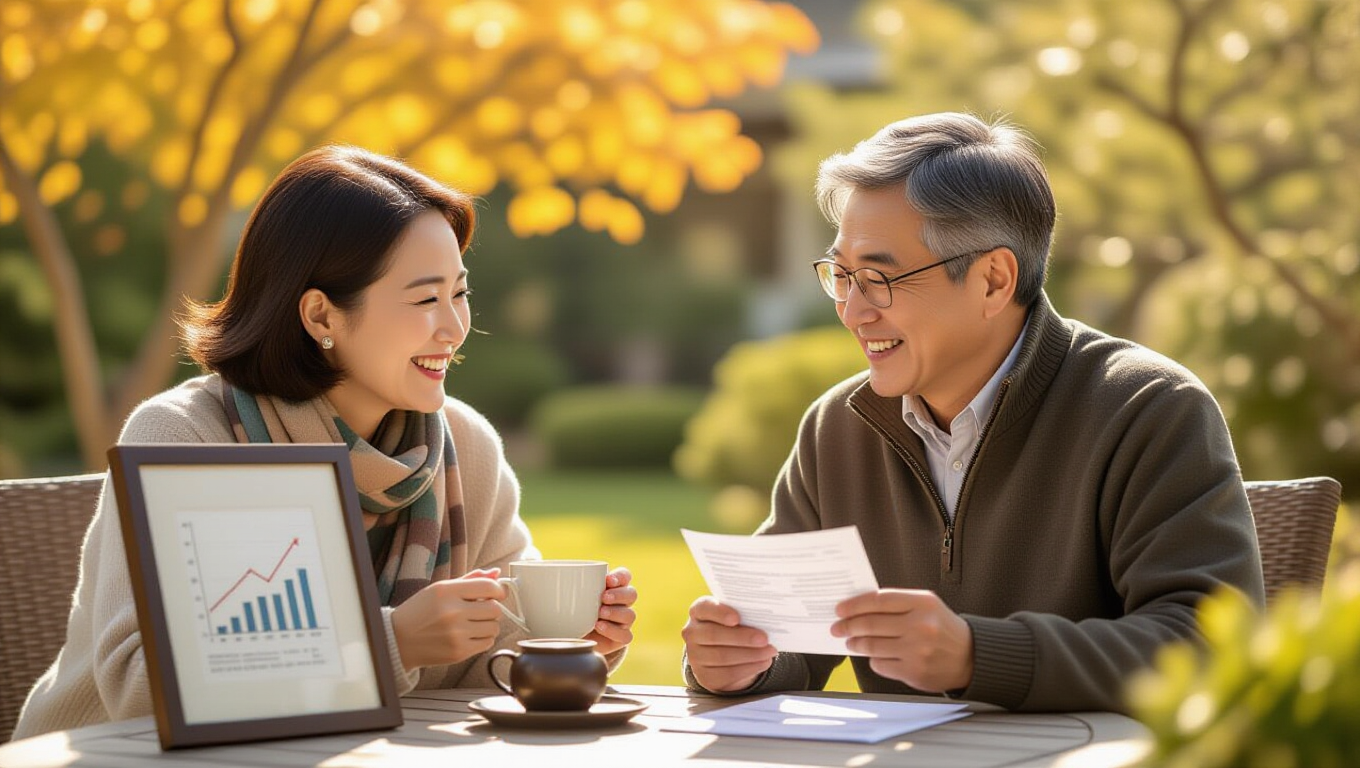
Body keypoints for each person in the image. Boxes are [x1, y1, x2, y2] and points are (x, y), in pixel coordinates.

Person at [15, 146, 638, 738]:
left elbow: (480, 669)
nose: (454, 327)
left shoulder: (465, 448)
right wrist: (394, 643)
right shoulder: (186, 437)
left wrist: (570, 644)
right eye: (426, 298)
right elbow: (137, 688)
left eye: (460, 293)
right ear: (320, 316)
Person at [680, 112, 1264, 713]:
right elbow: (790, 639)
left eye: (878, 277)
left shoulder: (1149, 408)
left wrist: (977, 656)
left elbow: (1210, 645)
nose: (853, 312)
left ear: (992, 280)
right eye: (843, 275)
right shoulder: (838, 428)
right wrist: (739, 663)